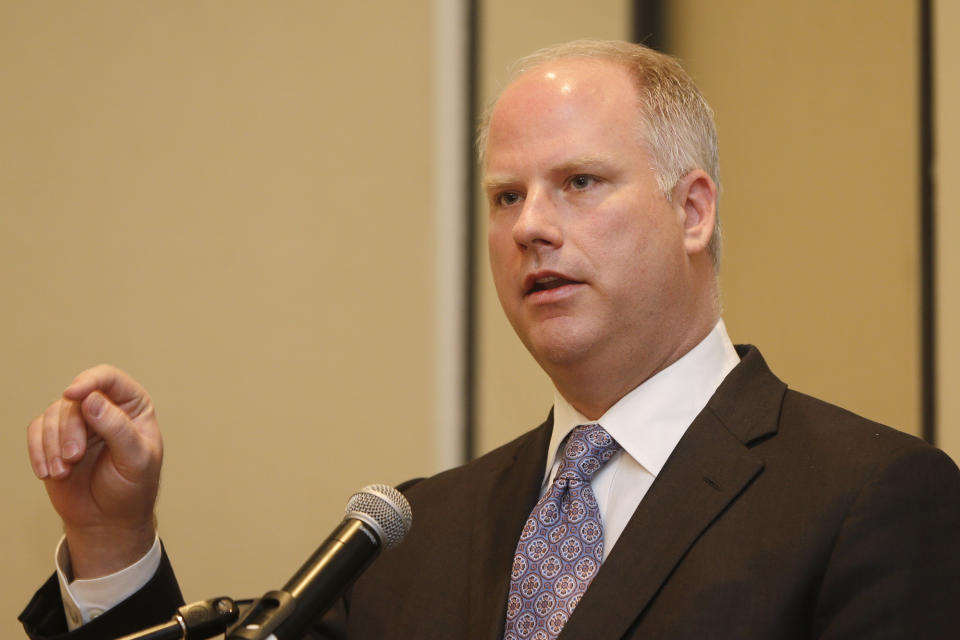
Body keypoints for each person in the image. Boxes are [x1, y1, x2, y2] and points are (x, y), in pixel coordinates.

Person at [21, 39, 960, 639]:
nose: (530, 228)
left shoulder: (866, 500)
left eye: (579, 183)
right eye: (506, 197)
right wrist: (112, 541)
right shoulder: (411, 534)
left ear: (694, 210)